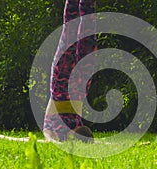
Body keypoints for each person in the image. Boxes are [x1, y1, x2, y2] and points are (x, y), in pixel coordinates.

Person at [43, 0, 97, 142]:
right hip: (80, 83)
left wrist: (53, 141)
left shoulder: (58, 132)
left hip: (63, 82)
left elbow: (46, 133)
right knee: (87, 32)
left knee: (70, 32)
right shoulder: (77, 125)